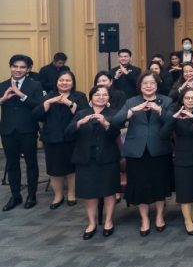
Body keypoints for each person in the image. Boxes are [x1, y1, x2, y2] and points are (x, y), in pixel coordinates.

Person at [112, 72, 173, 236]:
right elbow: (116, 121)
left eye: (152, 83)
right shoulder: (131, 101)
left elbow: (172, 120)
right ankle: (144, 219)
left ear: (157, 85)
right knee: (140, 186)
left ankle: (159, 216)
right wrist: (133, 111)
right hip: (136, 151)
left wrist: (159, 110)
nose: (148, 86)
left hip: (159, 149)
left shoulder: (166, 101)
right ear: (140, 85)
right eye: (145, 83)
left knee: (160, 184)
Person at [66, 85, 121, 239]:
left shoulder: (114, 113)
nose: (101, 97)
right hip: (85, 158)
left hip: (108, 158)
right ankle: (91, 223)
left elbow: (116, 133)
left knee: (109, 191)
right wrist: (79, 123)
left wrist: (106, 123)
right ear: (91, 97)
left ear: (109, 98)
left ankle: (109, 221)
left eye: (104, 95)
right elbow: (68, 133)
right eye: (97, 94)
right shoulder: (81, 113)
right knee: (89, 193)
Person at [32, 71, 88, 209]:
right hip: (52, 139)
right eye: (61, 80)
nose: (64, 83)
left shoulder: (79, 96)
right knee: (54, 169)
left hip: (73, 138)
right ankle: (58, 196)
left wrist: (69, 103)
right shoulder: (49, 96)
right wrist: (48, 103)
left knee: (71, 169)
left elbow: (85, 115)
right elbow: (36, 115)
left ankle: (71, 194)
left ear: (73, 83)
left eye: (68, 80)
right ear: (56, 82)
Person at [159, 87, 193, 236]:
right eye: (187, 98)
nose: (190, 101)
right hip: (182, 157)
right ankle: (187, 221)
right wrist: (174, 118)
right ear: (182, 100)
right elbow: (163, 134)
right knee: (185, 191)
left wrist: (191, 116)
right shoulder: (175, 114)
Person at [1, 54, 44, 211]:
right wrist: (2, 99)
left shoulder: (35, 85)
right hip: (7, 130)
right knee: (12, 164)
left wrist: (22, 95)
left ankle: (32, 195)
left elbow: (39, 106)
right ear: (10, 67)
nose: (18, 70)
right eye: (15, 66)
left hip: (28, 130)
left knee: (31, 163)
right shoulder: (3, 85)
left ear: (28, 69)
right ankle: (15, 196)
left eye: (22, 67)